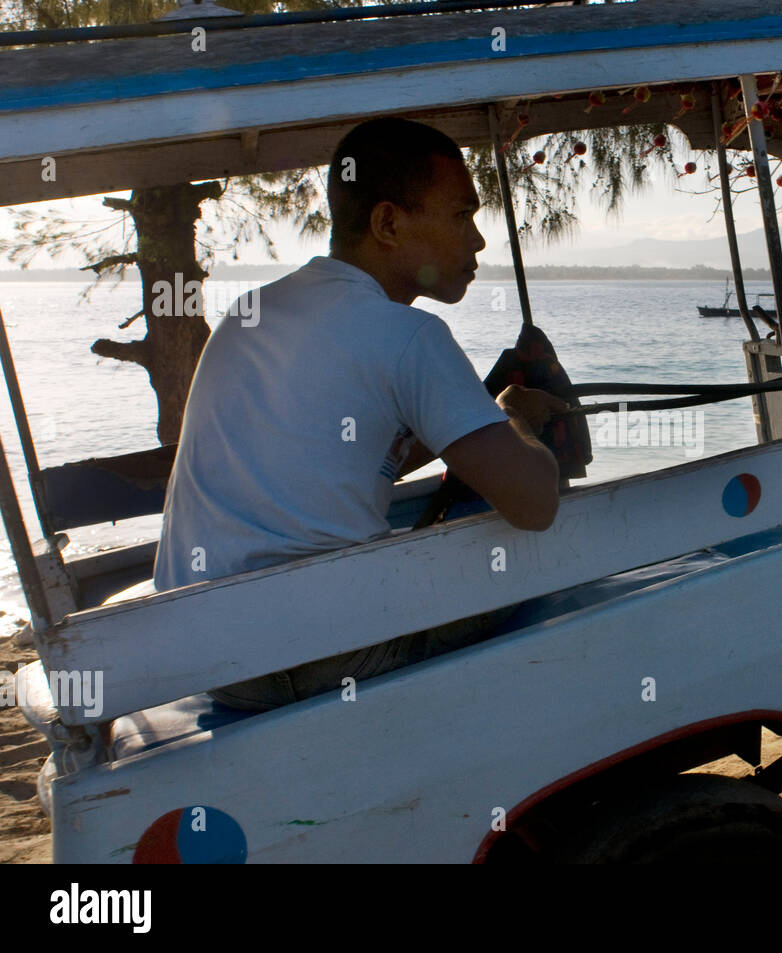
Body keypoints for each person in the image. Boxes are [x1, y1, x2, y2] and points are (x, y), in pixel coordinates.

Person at [153, 117, 566, 710]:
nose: (477, 241)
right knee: (532, 552)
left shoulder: (251, 312)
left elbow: (328, 462)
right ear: (388, 223)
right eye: (461, 215)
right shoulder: (410, 335)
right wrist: (514, 415)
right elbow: (535, 504)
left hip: (214, 657)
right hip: (327, 653)